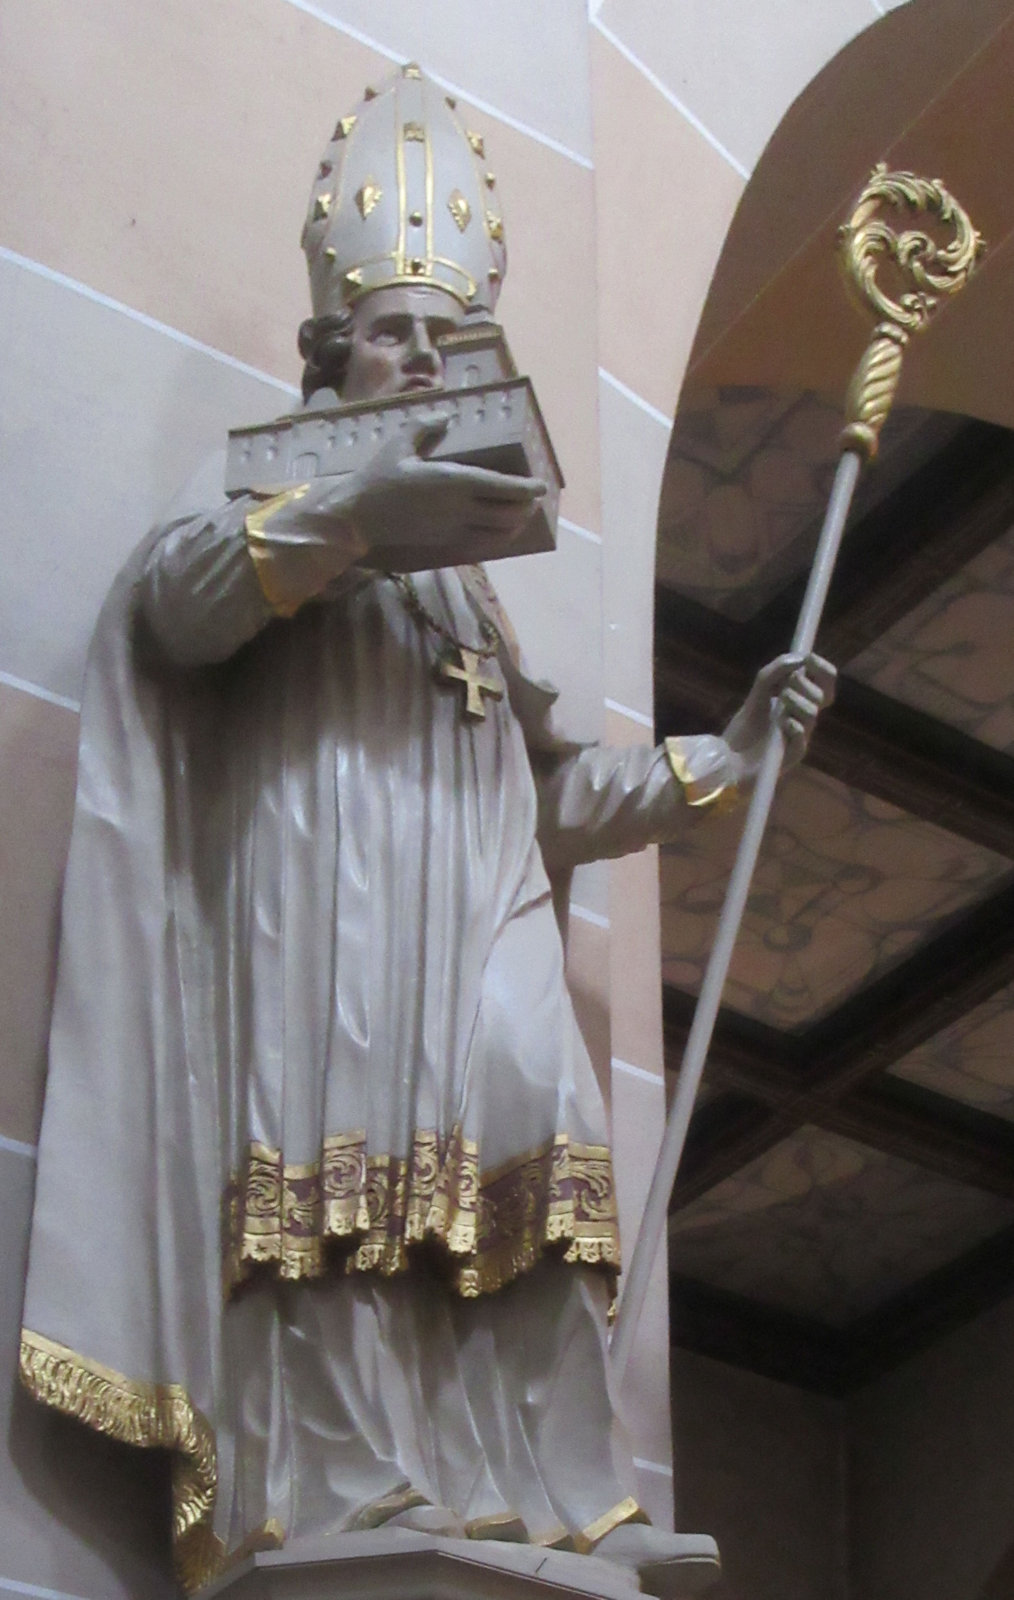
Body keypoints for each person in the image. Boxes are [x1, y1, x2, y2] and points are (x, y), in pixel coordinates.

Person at [19, 67, 834, 1595]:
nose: (422, 358)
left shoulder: (473, 576)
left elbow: (555, 795)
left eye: (446, 339)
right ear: (335, 348)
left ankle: (568, 1499)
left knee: (549, 1137)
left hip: (477, 913)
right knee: (335, 1175)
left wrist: (723, 755)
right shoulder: (272, 484)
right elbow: (181, 612)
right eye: (396, 332)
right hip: (324, 902)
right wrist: (354, 515)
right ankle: (333, 1484)